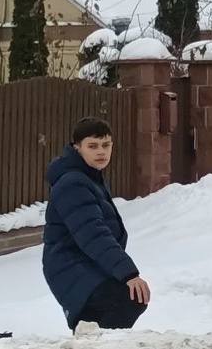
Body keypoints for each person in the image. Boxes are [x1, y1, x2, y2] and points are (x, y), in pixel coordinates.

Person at [41, 117, 150, 333]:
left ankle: (88, 339)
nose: (101, 152)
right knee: (129, 298)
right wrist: (128, 273)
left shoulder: (90, 178)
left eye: (106, 145)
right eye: (92, 146)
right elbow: (93, 234)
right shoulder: (73, 183)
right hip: (71, 266)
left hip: (88, 265)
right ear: (77, 148)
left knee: (103, 317)